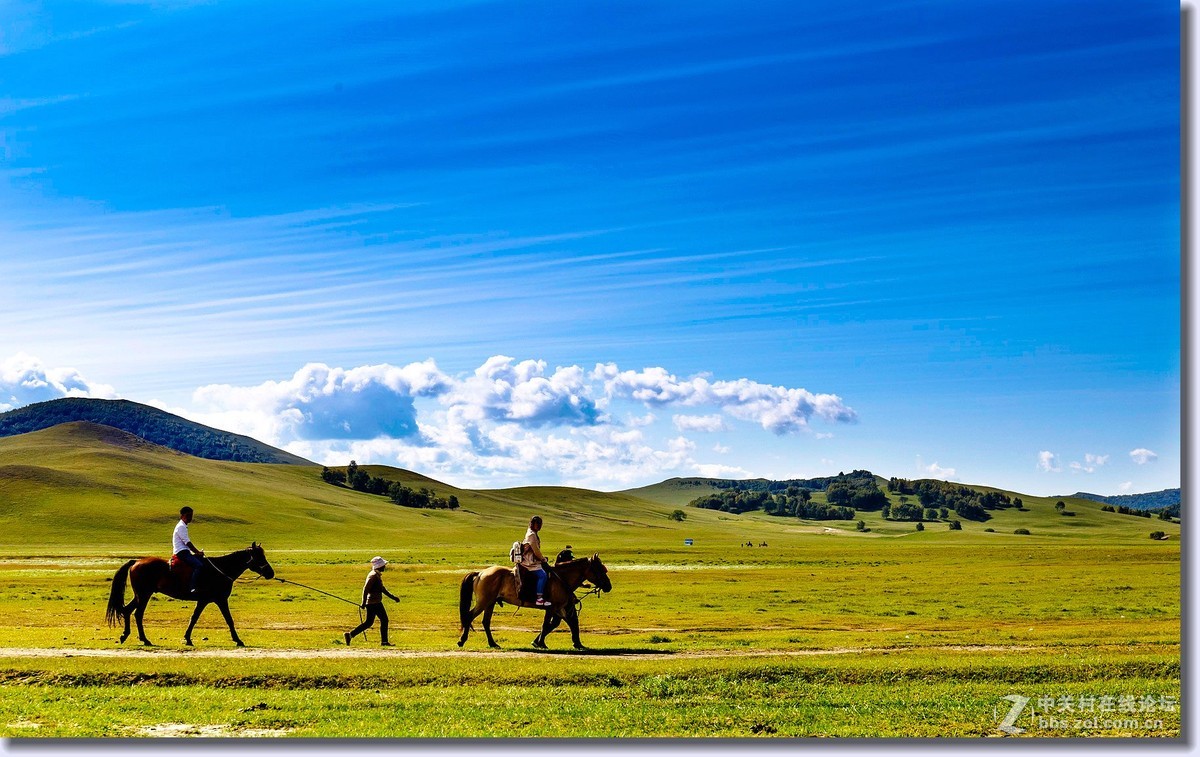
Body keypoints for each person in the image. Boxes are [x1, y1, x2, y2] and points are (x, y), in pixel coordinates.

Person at [344, 556, 398, 647]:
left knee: (369, 622)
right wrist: (363, 602)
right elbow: (365, 589)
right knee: (384, 620)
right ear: (379, 566)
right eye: (383, 565)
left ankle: (350, 635)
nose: (385, 567)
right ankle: (384, 642)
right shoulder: (373, 576)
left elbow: (382, 589)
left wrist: (393, 597)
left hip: (374, 602)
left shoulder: (376, 575)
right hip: (374, 603)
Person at [172, 506, 205, 595]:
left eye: (191, 515)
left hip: (184, 551)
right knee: (199, 566)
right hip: (182, 552)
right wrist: (197, 552)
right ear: (182, 515)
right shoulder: (181, 526)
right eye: (188, 515)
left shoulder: (183, 526)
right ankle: (193, 587)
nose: (190, 517)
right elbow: (187, 542)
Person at [521, 516, 551, 608]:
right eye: (537, 523)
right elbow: (536, 551)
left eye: (540, 524)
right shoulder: (532, 535)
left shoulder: (533, 533)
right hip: (529, 562)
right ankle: (539, 598)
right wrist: (543, 559)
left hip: (532, 560)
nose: (539, 526)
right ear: (532, 524)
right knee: (542, 575)